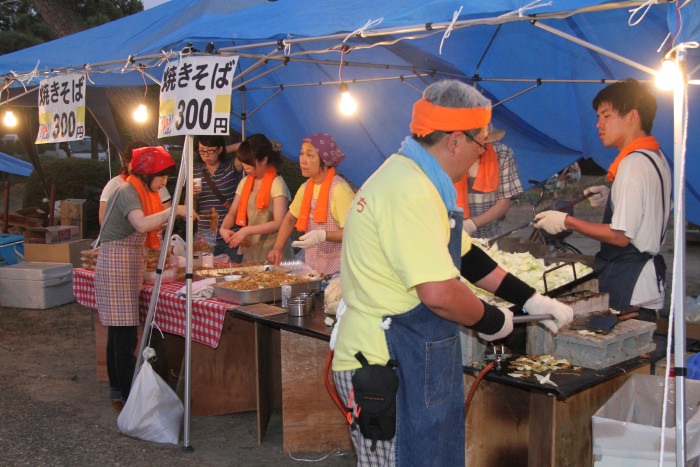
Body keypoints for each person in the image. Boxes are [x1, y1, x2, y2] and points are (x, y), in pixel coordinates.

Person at [331, 79, 573, 466]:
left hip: (413, 356)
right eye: (482, 144)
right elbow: (439, 293)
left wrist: (529, 297)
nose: (482, 156)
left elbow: (467, 258)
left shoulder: (422, 181)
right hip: (384, 361)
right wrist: (493, 319)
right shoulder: (408, 188)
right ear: (456, 140)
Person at [534, 79, 671, 321]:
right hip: (643, 282)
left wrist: (567, 222)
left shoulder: (632, 164)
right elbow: (648, 208)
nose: (599, 124)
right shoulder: (654, 156)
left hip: (631, 282)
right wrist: (613, 196)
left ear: (632, 116)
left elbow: (620, 236)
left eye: (606, 116)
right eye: (598, 117)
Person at [94, 146, 190, 411]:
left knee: (119, 335)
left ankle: (119, 394)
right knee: (123, 337)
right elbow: (141, 224)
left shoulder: (139, 190)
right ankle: (127, 398)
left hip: (127, 264)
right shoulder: (127, 191)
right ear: (147, 173)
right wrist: (175, 211)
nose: (163, 183)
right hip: (117, 265)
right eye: (161, 177)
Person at [267, 133, 355, 275]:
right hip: (313, 268)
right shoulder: (307, 187)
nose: (303, 160)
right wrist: (278, 246)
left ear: (325, 160)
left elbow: (353, 232)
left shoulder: (340, 190)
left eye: (310, 155)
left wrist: (323, 235)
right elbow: (290, 218)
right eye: (302, 153)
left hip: (339, 272)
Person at [219, 134, 294, 263]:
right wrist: (223, 228)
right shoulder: (245, 182)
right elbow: (232, 212)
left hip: (274, 249)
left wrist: (247, 230)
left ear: (264, 160)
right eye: (243, 163)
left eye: (249, 163)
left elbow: (279, 222)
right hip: (251, 248)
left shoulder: (277, 183)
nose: (245, 167)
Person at [455, 123, 524, 238]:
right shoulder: (450, 154)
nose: (482, 147)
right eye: (476, 142)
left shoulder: (502, 153)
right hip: (451, 233)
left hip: (488, 237)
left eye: (486, 141)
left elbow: (503, 203)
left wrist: (470, 225)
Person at [193, 135, 244, 262]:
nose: (206, 155)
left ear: (220, 149)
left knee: (234, 275)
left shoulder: (231, 167)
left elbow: (248, 146)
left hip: (231, 235)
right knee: (203, 277)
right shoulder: (194, 171)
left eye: (210, 151)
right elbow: (189, 212)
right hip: (205, 237)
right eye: (202, 151)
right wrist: (191, 195)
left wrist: (224, 148)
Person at [99, 141, 172, 225]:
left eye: (144, 162)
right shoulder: (117, 185)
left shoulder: (157, 184)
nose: (140, 166)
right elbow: (103, 219)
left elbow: (168, 217)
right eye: (136, 162)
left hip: (155, 236)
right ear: (126, 163)